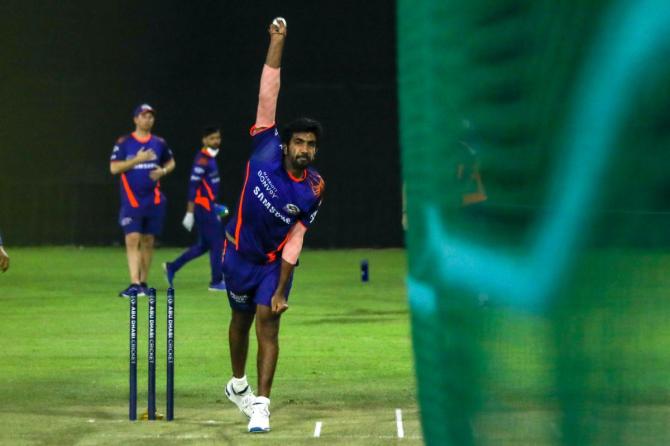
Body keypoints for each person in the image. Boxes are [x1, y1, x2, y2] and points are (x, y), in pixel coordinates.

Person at [222, 18, 325, 433]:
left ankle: (261, 404)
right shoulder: (264, 144)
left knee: (268, 319)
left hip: (270, 264)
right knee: (240, 320)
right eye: (299, 142)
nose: (305, 150)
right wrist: (276, 41)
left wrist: (281, 288)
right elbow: (269, 87)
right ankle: (238, 385)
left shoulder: (314, 188)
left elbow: (296, 241)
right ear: (287, 144)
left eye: (311, 145)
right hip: (237, 254)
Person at [110, 104, 175, 298]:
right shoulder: (124, 143)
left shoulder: (159, 143)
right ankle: (134, 283)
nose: (148, 120)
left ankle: (143, 283)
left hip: (153, 200)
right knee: (132, 238)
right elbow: (114, 168)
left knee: (148, 240)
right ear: (136, 119)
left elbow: (171, 162)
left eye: (151, 117)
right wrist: (137, 160)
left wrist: (163, 171)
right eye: (144, 116)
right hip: (132, 201)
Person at [163, 126, 227, 291]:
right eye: (212, 138)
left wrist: (216, 207)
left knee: (203, 246)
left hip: (209, 206)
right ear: (204, 140)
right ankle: (216, 282)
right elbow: (193, 186)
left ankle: (172, 267)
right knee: (217, 244)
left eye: (218, 138)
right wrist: (190, 212)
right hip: (203, 208)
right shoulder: (202, 160)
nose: (216, 141)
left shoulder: (210, 158)